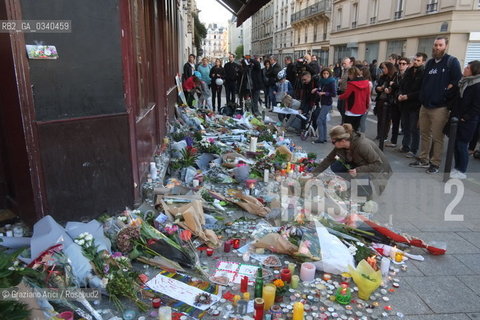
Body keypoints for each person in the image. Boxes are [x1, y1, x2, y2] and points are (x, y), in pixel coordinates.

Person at [410, 36, 462, 174]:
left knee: (438, 137)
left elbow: (456, 82)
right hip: (425, 105)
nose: (437, 47)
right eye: (435, 45)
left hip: (440, 107)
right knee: (424, 134)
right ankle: (423, 159)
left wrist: (444, 96)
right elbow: (425, 82)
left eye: (440, 45)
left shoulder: (452, 61)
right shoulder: (430, 63)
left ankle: (435, 163)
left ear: (445, 46)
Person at [312, 124, 392, 198]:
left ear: (343, 141)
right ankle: (353, 184)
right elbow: (328, 159)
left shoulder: (362, 145)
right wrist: (312, 175)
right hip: (360, 163)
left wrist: (358, 170)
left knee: (360, 176)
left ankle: (366, 194)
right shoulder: (341, 146)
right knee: (336, 166)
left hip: (379, 169)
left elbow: (378, 164)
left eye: (333, 142)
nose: (332, 143)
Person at [449, 60, 480, 179]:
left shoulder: (477, 85)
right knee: (456, 144)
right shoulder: (464, 82)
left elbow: (477, 106)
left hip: (468, 121)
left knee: (462, 145)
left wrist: (465, 117)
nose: (465, 69)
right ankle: (457, 167)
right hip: (457, 118)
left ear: (474, 70)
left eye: (468, 68)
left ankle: (462, 170)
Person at [397, 52, 427, 158]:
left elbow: (422, 90)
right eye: (415, 59)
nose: (415, 61)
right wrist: (400, 94)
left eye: (418, 60)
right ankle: (405, 146)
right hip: (405, 103)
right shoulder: (409, 71)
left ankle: (413, 149)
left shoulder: (424, 73)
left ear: (423, 62)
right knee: (405, 126)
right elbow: (402, 84)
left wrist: (408, 96)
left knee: (414, 128)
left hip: (415, 105)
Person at [338, 66, 371, 131]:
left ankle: (349, 141)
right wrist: (366, 106)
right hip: (361, 108)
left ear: (351, 74)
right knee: (356, 128)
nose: (349, 76)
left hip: (352, 108)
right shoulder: (366, 83)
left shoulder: (351, 84)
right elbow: (367, 96)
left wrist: (340, 96)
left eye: (349, 75)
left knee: (347, 129)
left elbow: (346, 95)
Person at [374, 62, 397, 142]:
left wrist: (387, 89)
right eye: (382, 68)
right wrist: (378, 88)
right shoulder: (382, 77)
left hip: (388, 100)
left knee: (386, 119)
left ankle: (384, 135)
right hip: (380, 99)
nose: (382, 70)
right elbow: (377, 87)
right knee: (380, 118)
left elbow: (395, 88)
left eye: (384, 68)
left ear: (389, 68)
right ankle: (379, 134)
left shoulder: (394, 77)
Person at [313, 68, 336, 143]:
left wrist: (324, 93)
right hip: (322, 102)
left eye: (327, 74)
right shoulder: (321, 81)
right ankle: (324, 137)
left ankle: (321, 138)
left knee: (319, 120)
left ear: (329, 74)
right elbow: (320, 89)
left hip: (327, 103)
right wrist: (317, 90)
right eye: (324, 74)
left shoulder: (331, 81)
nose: (325, 75)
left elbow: (333, 94)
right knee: (323, 121)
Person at [337, 57, 353, 123]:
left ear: (350, 63)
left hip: (346, 91)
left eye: (345, 63)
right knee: (339, 107)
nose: (343, 65)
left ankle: (344, 122)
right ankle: (344, 121)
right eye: (343, 63)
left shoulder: (351, 71)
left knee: (343, 108)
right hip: (342, 91)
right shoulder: (344, 70)